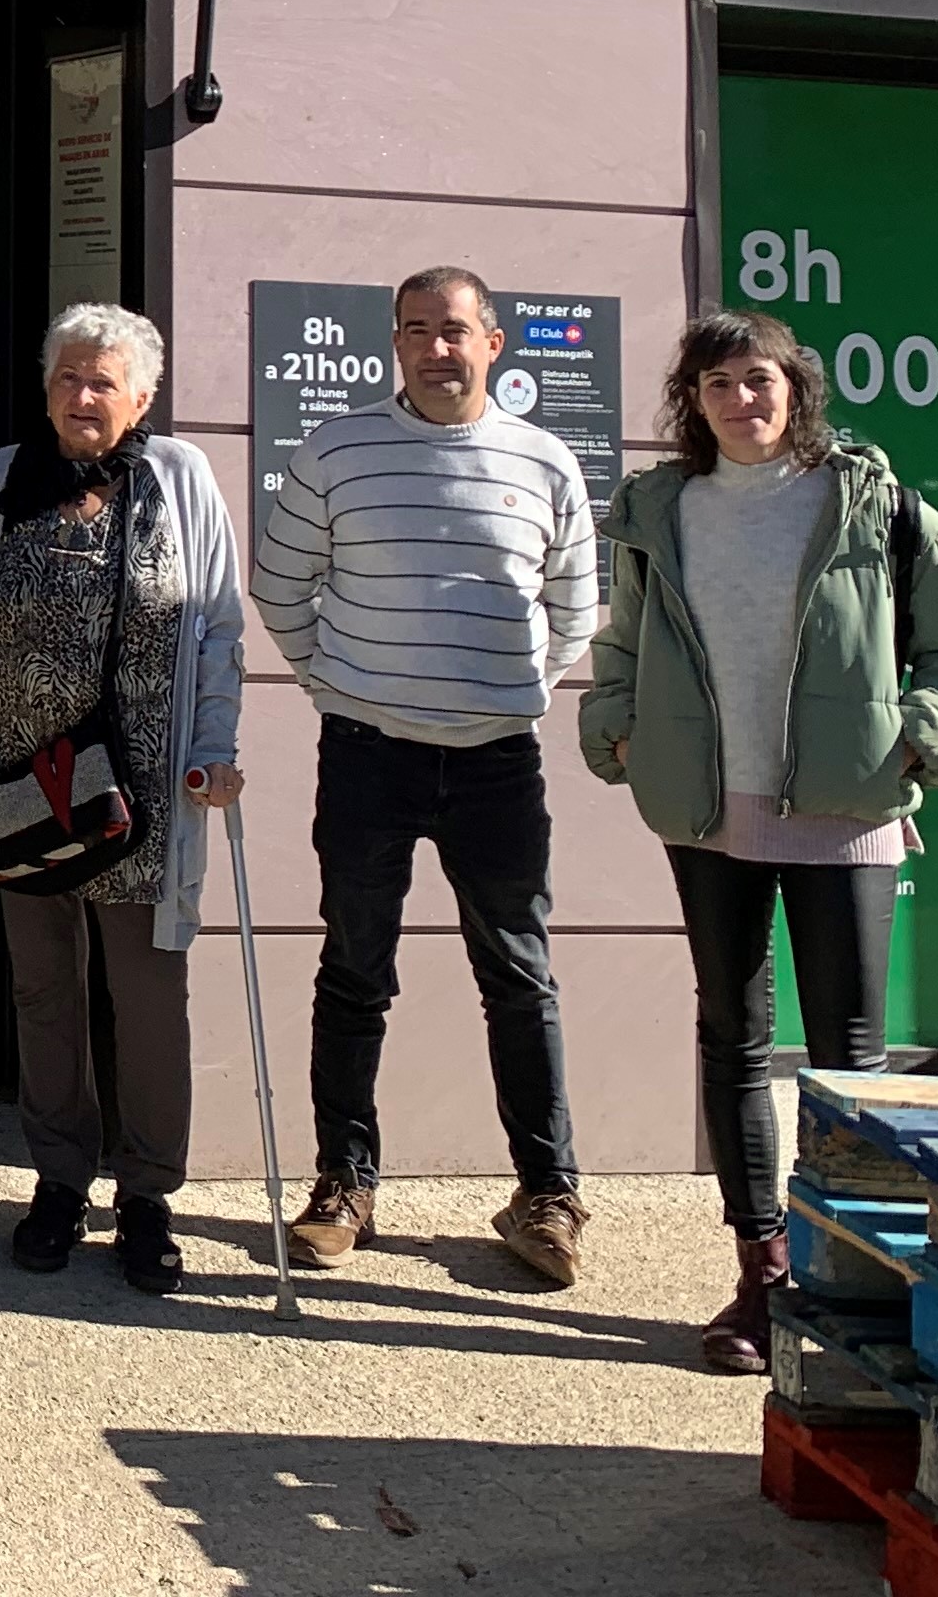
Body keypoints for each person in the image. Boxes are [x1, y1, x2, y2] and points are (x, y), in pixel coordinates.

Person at [585, 310, 938, 1372]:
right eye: (719, 383)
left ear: (796, 389)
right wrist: (617, 727)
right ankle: (763, 1274)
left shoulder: (874, 502)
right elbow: (623, 641)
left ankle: (854, 1273)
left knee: (847, 1056)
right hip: (707, 811)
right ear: (693, 401)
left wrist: (916, 746)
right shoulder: (660, 511)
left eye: (761, 379)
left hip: (845, 808)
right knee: (730, 1035)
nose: (742, 400)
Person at [253, 264, 602, 1286]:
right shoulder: (335, 450)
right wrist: (340, 685)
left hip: (498, 761)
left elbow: (575, 608)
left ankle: (547, 1195)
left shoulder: (545, 462)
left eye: (454, 330)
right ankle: (343, 1185)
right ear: (394, 346)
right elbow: (282, 588)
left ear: (494, 342)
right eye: (416, 331)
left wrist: (505, 691)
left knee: (520, 977)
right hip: (368, 754)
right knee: (355, 969)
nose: (436, 348)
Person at [0, 303, 249, 1294]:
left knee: (144, 996)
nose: (83, 398)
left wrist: (214, 746)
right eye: (67, 379)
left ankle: (146, 1195)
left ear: (142, 396)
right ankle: (57, 1180)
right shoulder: (2, 478)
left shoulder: (178, 481)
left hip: (146, 788)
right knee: (43, 990)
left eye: (103, 382)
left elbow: (217, 624)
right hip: (25, 789)